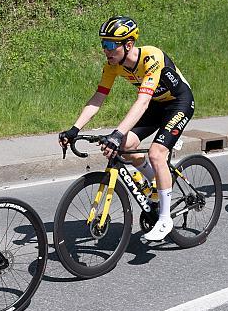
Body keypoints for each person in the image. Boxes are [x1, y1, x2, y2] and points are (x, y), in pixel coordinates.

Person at [58, 16, 194, 242]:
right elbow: (98, 97)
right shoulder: (112, 67)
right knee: (127, 146)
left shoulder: (151, 56)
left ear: (128, 44)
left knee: (156, 153)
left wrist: (116, 133)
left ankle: (165, 218)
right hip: (155, 105)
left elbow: (141, 101)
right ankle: (157, 180)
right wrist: (74, 128)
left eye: (111, 45)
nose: (106, 50)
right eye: (103, 44)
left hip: (178, 102)